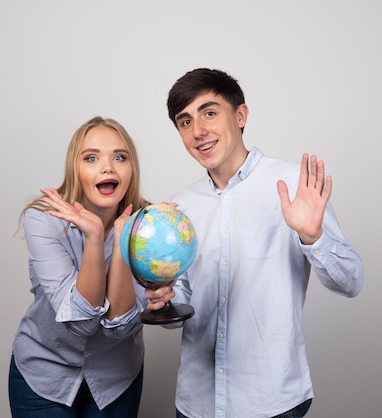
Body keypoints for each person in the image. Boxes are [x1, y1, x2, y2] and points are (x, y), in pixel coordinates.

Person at [146, 68, 364, 418]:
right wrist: (164, 298)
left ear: (241, 115)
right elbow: (180, 314)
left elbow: (351, 282)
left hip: (270, 402)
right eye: (184, 122)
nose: (198, 131)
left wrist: (313, 236)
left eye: (210, 113)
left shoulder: (294, 184)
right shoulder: (180, 207)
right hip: (195, 404)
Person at [9, 116, 149, 418]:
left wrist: (123, 242)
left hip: (117, 380)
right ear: (76, 169)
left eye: (120, 157)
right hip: (43, 377)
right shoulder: (43, 220)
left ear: (131, 169)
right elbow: (82, 321)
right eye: (91, 158)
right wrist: (95, 236)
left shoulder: (149, 227)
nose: (107, 167)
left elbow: (119, 326)